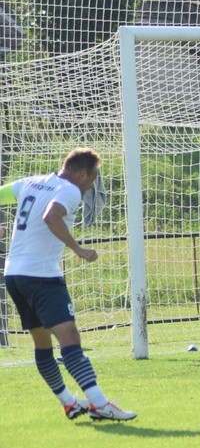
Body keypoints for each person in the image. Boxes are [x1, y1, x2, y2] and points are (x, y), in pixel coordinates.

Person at [0, 148, 136, 421]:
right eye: (92, 179)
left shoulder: (31, 181)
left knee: (42, 345)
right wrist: (78, 249)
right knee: (70, 338)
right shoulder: (70, 190)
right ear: (83, 174)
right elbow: (51, 216)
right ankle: (98, 404)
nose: (90, 186)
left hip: (14, 274)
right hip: (41, 276)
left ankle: (69, 403)